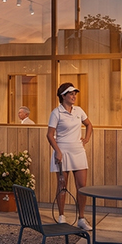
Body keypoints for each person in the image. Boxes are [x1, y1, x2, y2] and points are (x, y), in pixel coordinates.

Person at [47, 83, 93, 231]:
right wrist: (57, 151)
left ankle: (81, 218)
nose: (74, 96)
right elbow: (49, 135)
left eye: (75, 94)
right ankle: (62, 216)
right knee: (62, 186)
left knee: (82, 187)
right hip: (63, 151)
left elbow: (89, 125)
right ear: (63, 96)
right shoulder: (56, 113)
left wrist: (85, 140)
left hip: (78, 151)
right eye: (71, 94)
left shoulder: (79, 111)